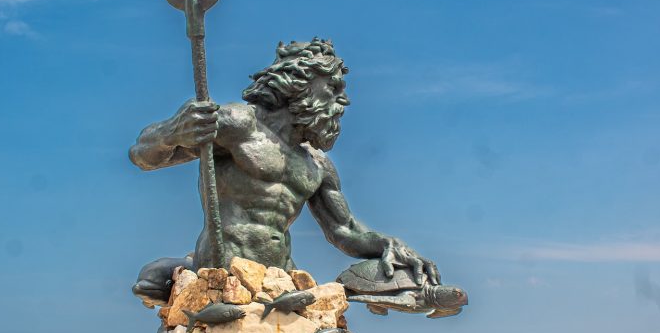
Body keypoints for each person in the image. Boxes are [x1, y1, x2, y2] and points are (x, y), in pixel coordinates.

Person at [129, 39, 438, 283]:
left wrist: (388, 244)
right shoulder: (240, 125)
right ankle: (177, 271)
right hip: (225, 276)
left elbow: (345, 231)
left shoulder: (317, 165)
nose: (342, 102)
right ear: (300, 82)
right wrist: (172, 131)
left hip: (281, 278)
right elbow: (143, 155)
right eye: (333, 89)